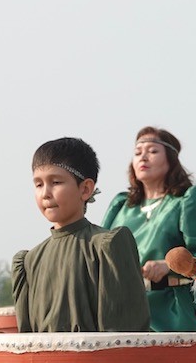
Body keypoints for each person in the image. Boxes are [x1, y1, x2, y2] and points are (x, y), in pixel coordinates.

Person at [14, 137, 150, 333]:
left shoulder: (107, 246)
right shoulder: (29, 261)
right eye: (38, 184)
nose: (45, 193)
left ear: (85, 189)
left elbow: (124, 337)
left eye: (56, 182)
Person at [101, 128, 196, 331]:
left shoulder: (190, 199)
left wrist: (169, 266)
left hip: (175, 314)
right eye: (137, 152)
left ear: (171, 159)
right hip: (125, 314)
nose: (143, 156)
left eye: (152, 151)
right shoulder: (121, 205)